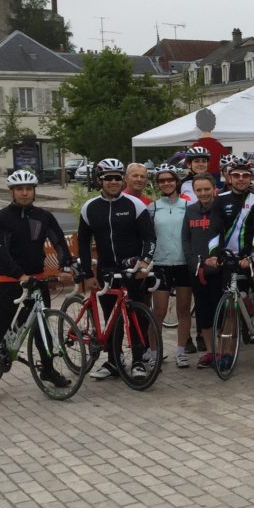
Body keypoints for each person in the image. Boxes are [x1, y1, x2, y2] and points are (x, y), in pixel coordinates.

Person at [0, 170, 74, 403]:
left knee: (42, 329)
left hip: (37, 281)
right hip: (9, 281)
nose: (25, 192)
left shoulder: (44, 216)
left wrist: (68, 265)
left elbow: (58, 242)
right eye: (20, 189)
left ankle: (47, 370)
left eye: (29, 188)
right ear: (12, 192)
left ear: (34, 191)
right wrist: (19, 275)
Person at [78, 158, 158, 381]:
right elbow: (83, 243)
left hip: (132, 271)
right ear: (99, 180)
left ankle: (139, 361)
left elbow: (149, 238)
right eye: (108, 178)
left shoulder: (135, 205)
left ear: (122, 179)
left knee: (136, 318)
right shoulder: (90, 208)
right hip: (106, 271)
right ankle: (114, 360)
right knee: (111, 318)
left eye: (116, 178)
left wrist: (144, 263)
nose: (113, 182)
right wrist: (87, 273)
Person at [208, 156, 254, 366]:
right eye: (236, 175)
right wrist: (214, 254)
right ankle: (227, 354)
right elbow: (214, 229)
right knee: (230, 310)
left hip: (251, 259)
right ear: (229, 177)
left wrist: (253, 256)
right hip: (229, 261)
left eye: (245, 176)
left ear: (250, 178)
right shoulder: (220, 199)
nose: (240, 179)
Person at [148, 164, 195, 368]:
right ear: (158, 184)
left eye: (170, 180)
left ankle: (181, 351)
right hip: (160, 264)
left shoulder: (188, 206)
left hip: (183, 263)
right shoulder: (153, 207)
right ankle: (154, 352)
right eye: (162, 181)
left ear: (177, 182)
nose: (166, 183)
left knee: (184, 310)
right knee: (158, 311)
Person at [183, 174, 223, 369]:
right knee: (203, 313)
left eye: (207, 189)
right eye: (199, 190)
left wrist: (220, 258)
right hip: (198, 271)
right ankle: (210, 352)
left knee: (221, 313)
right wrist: (192, 262)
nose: (203, 193)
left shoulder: (222, 208)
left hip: (219, 270)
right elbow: (186, 239)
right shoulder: (190, 211)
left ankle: (223, 351)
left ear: (214, 188)